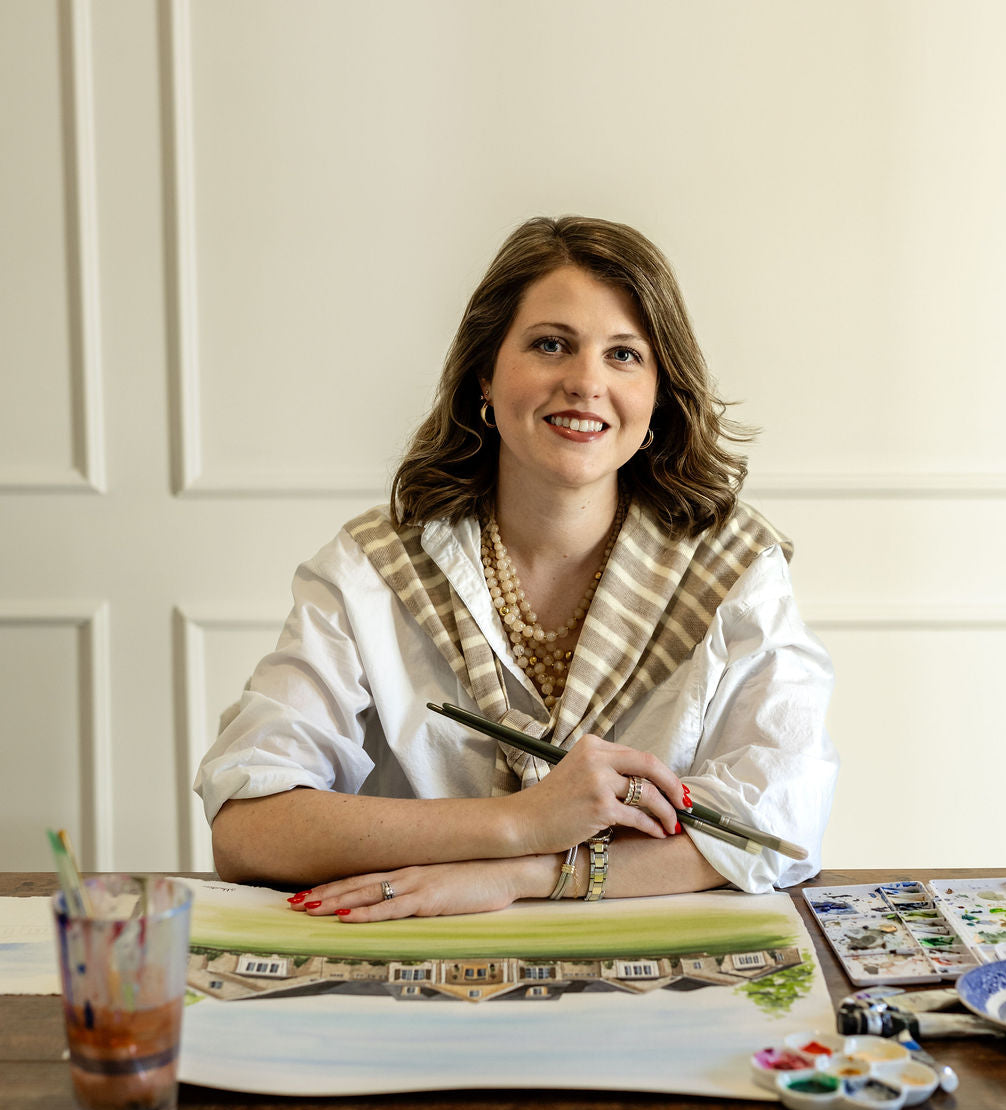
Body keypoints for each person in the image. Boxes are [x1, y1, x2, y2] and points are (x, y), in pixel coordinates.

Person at [196, 215, 838, 921]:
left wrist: (523, 876)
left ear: (657, 395)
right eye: (551, 344)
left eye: (624, 355)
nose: (586, 381)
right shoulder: (371, 569)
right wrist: (520, 821)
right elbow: (249, 825)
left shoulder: (734, 569)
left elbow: (777, 828)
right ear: (485, 374)